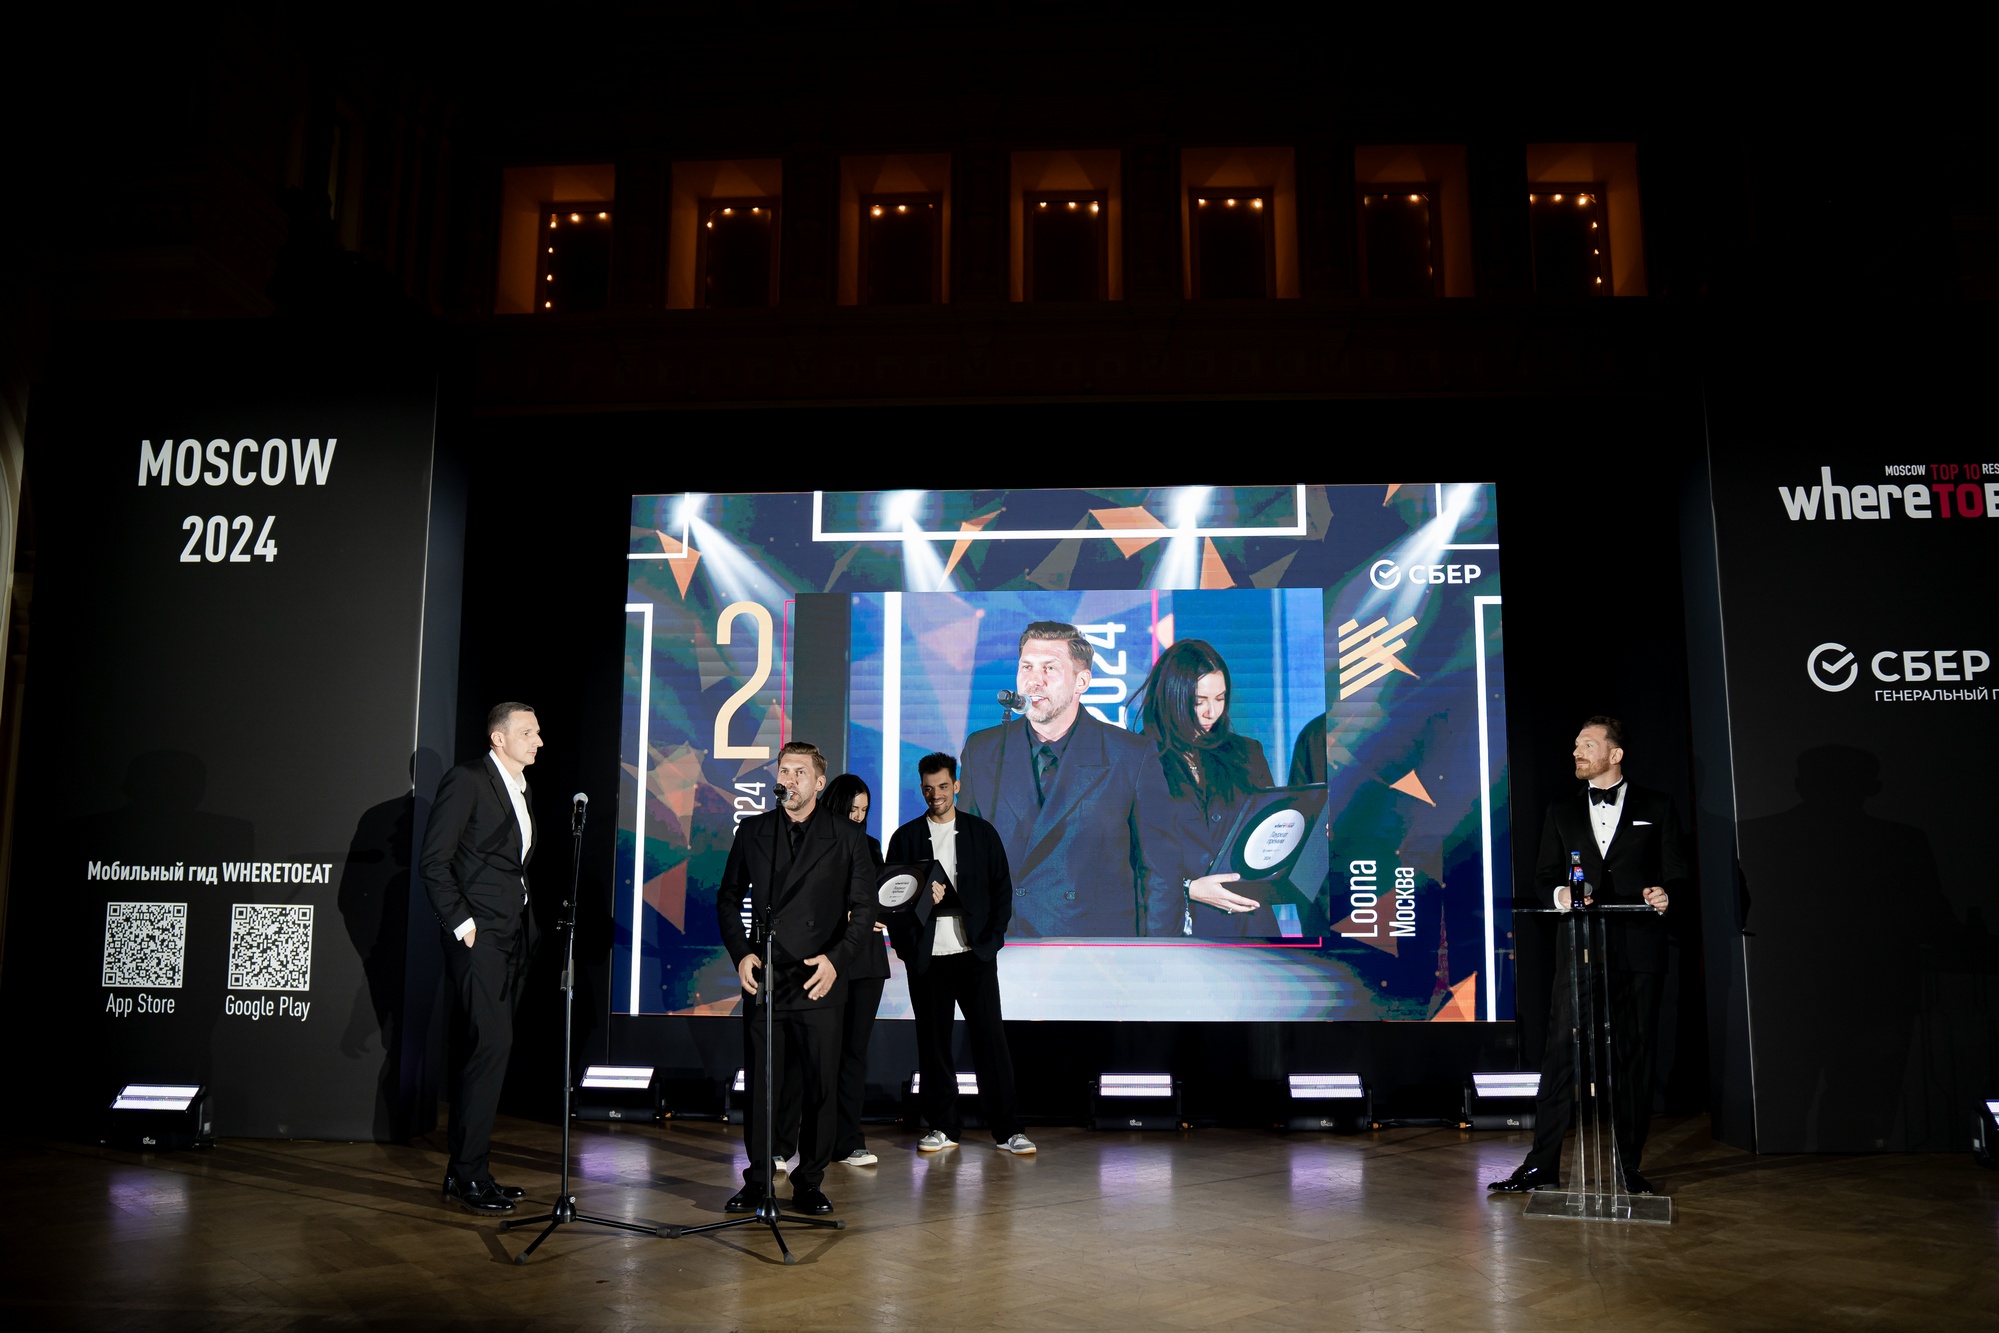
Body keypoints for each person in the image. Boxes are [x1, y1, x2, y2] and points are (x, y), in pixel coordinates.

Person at [1489, 716, 1688, 1197]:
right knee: (1561, 1055)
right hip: (1579, 948)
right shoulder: (1561, 809)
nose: (1577, 752)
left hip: (1639, 950)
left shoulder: (1657, 806)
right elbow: (1543, 877)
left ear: (1615, 755)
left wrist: (1666, 894)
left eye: (1588, 745)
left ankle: (1627, 1167)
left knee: (1634, 1059)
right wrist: (1562, 895)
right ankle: (1541, 1166)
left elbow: (1678, 874)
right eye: (1576, 744)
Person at [715, 741, 876, 1216]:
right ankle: (758, 1178)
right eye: (784, 770)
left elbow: (865, 909)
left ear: (819, 783)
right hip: (765, 975)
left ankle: (810, 1181)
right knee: (762, 1083)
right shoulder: (754, 831)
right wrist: (741, 953)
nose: (789, 779)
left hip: (818, 977)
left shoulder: (847, 836)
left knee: (821, 1086)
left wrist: (836, 961)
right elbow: (728, 898)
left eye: (799, 772)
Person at [958, 620, 1164, 935]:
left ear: (1082, 681)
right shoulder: (982, 750)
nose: (1034, 681)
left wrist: (1158, 954)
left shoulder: (1131, 755)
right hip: (1004, 942)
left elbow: (1159, 871)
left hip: (1095, 949)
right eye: (1026, 667)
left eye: (1050, 668)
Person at [419, 701, 543, 1215]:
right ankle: (469, 1174)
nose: (539, 741)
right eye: (528, 732)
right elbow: (434, 861)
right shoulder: (467, 780)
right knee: (491, 1045)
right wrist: (463, 924)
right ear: (499, 738)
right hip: (480, 937)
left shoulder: (521, 788)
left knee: (490, 1051)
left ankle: (468, 1171)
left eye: (537, 733)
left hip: (515, 936)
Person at [886, 752, 1033, 1155]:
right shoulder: (905, 838)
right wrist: (907, 947)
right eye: (928, 788)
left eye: (943, 786)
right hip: (927, 960)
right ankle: (943, 1127)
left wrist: (992, 941)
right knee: (933, 1045)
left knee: (990, 1041)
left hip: (974, 955)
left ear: (957, 786)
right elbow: (893, 901)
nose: (936, 795)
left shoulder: (981, 833)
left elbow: (1002, 890)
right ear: (921, 789)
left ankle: (1007, 1129)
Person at [771, 774, 892, 1171]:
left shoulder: (869, 846)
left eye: (864, 811)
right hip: (819, 959)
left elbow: (878, 900)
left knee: (852, 1055)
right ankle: (781, 1145)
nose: (858, 817)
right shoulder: (807, 841)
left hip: (865, 962)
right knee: (802, 1056)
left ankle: (848, 1141)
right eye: (852, 809)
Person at [1134, 640, 1277, 938]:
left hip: (1250, 924)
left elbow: (1268, 833)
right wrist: (1189, 888)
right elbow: (1122, 860)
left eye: (1220, 698)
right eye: (1199, 701)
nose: (1212, 712)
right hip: (1176, 927)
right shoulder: (1135, 758)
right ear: (1171, 697)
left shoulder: (1247, 754)